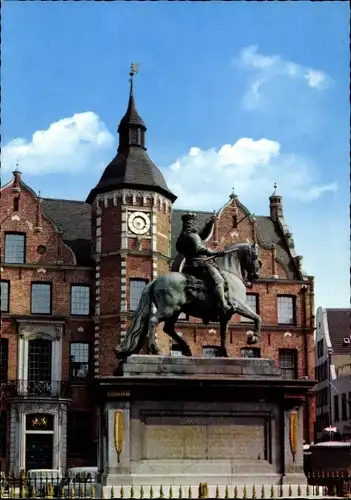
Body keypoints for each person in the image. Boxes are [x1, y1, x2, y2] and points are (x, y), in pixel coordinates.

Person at [176, 212, 231, 313]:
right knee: (219, 280)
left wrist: (209, 224)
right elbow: (199, 248)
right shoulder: (192, 236)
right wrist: (215, 253)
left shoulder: (182, 237)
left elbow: (202, 236)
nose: (195, 225)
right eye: (194, 223)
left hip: (187, 265)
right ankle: (223, 303)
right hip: (200, 264)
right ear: (191, 224)